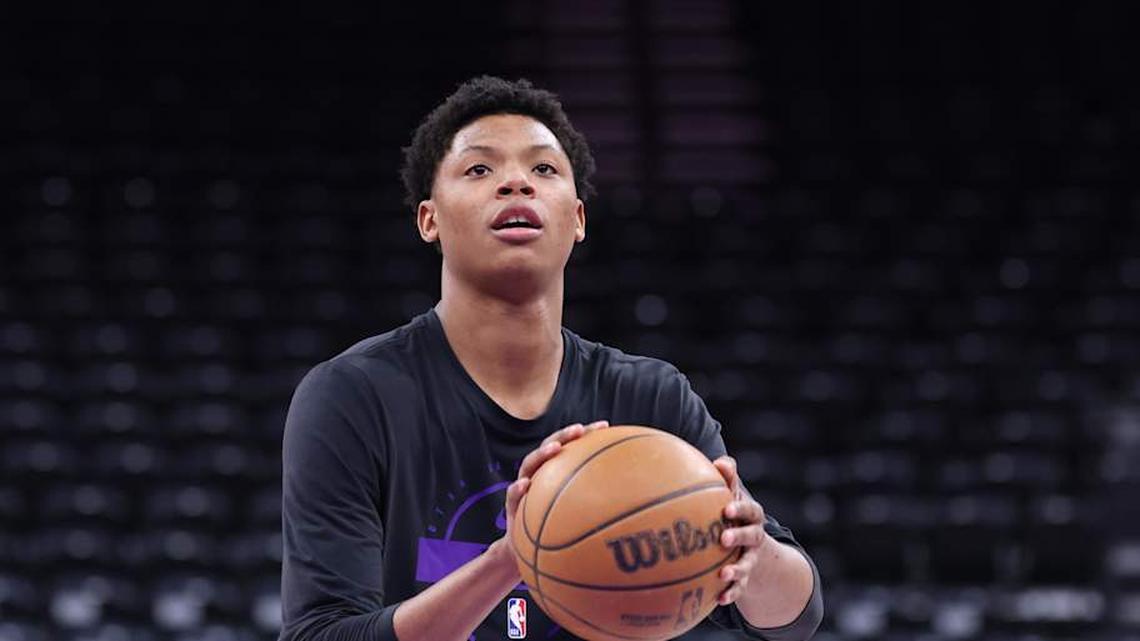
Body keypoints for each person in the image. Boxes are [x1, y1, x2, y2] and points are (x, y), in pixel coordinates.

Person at [280, 76, 823, 641]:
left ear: (579, 219)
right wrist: (510, 559)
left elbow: (792, 620)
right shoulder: (352, 396)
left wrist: (752, 550)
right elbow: (318, 635)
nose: (516, 182)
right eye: (479, 169)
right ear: (429, 220)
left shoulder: (648, 399)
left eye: (543, 170)